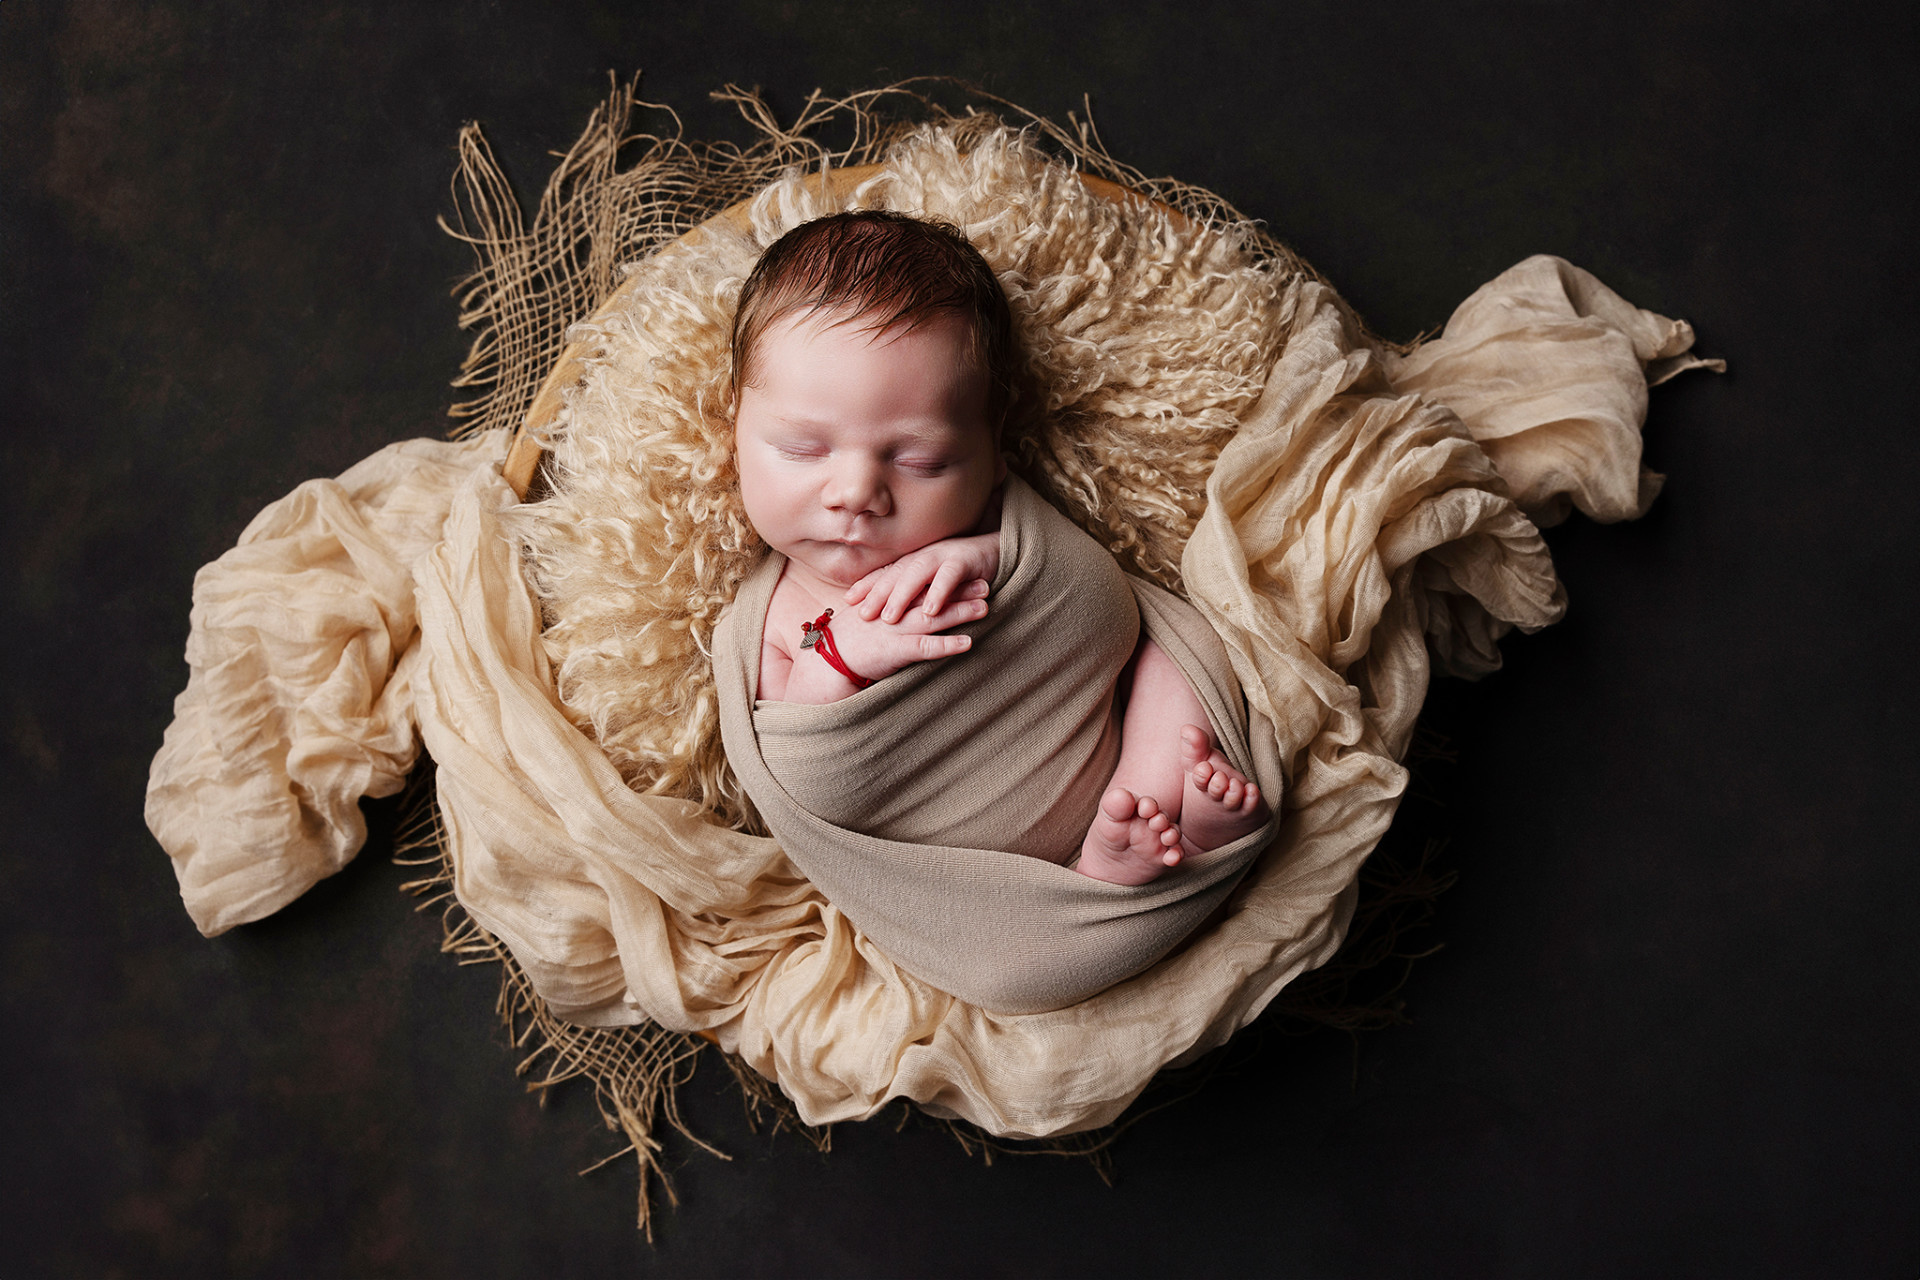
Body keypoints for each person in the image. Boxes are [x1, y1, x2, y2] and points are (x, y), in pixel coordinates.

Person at [729, 210, 1267, 885]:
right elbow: (801, 777)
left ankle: (1159, 804)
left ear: (994, 455)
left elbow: (1106, 612)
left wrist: (993, 559)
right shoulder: (778, 616)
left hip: (1104, 761)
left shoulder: (993, 529)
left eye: (922, 461)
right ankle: (1099, 874)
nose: (857, 492)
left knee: (1178, 652)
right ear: (735, 428)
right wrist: (837, 656)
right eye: (803, 449)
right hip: (963, 867)